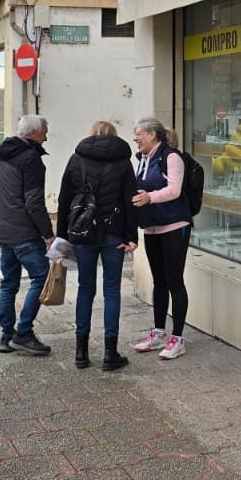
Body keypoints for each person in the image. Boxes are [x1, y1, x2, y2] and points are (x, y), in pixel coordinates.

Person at [55, 120, 139, 371]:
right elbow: (129, 200)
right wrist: (130, 235)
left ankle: (81, 352)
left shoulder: (76, 159)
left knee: (85, 288)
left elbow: (64, 199)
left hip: (82, 232)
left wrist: (62, 236)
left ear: (91, 135)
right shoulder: (123, 162)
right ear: (114, 136)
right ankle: (109, 352)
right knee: (112, 289)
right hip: (114, 232)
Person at [0, 114, 54, 355]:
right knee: (41, 277)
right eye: (44, 131)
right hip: (25, 232)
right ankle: (24, 332)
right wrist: (48, 235)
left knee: (9, 283)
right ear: (33, 133)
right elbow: (34, 202)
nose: (46, 136)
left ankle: (6, 336)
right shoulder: (31, 159)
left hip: (5, 230)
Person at [129, 117, 192, 360]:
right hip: (152, 227)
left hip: (174, 226)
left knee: (174, 280)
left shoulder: (172, 157)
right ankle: (157, 333)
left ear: (152, 135)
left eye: (139, 134)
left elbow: (174, 190)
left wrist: (150, 198)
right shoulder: (143, 159)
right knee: (159, 281)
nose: (135, 138)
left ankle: (177, 337)